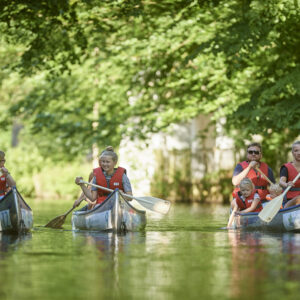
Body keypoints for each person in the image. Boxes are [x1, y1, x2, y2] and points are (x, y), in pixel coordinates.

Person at [280, 141, 300, 208]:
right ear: (292, 153)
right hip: (289, 201)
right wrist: (286, 184)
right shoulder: (286, 167)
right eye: (296, 151)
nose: (299, 153)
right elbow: (281, 182)